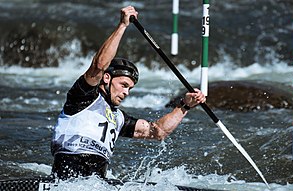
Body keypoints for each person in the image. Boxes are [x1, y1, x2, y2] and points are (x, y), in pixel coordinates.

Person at [51, 6, 206, 180]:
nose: (126, 92)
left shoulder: (118, 118)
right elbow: (99, 65)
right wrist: (123, 26)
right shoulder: (83, 96)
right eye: (124, 85)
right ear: (107, 79)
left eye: (130, 88)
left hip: (95, 186)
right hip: (65, 178)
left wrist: (184, 106)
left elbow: (158, 131)